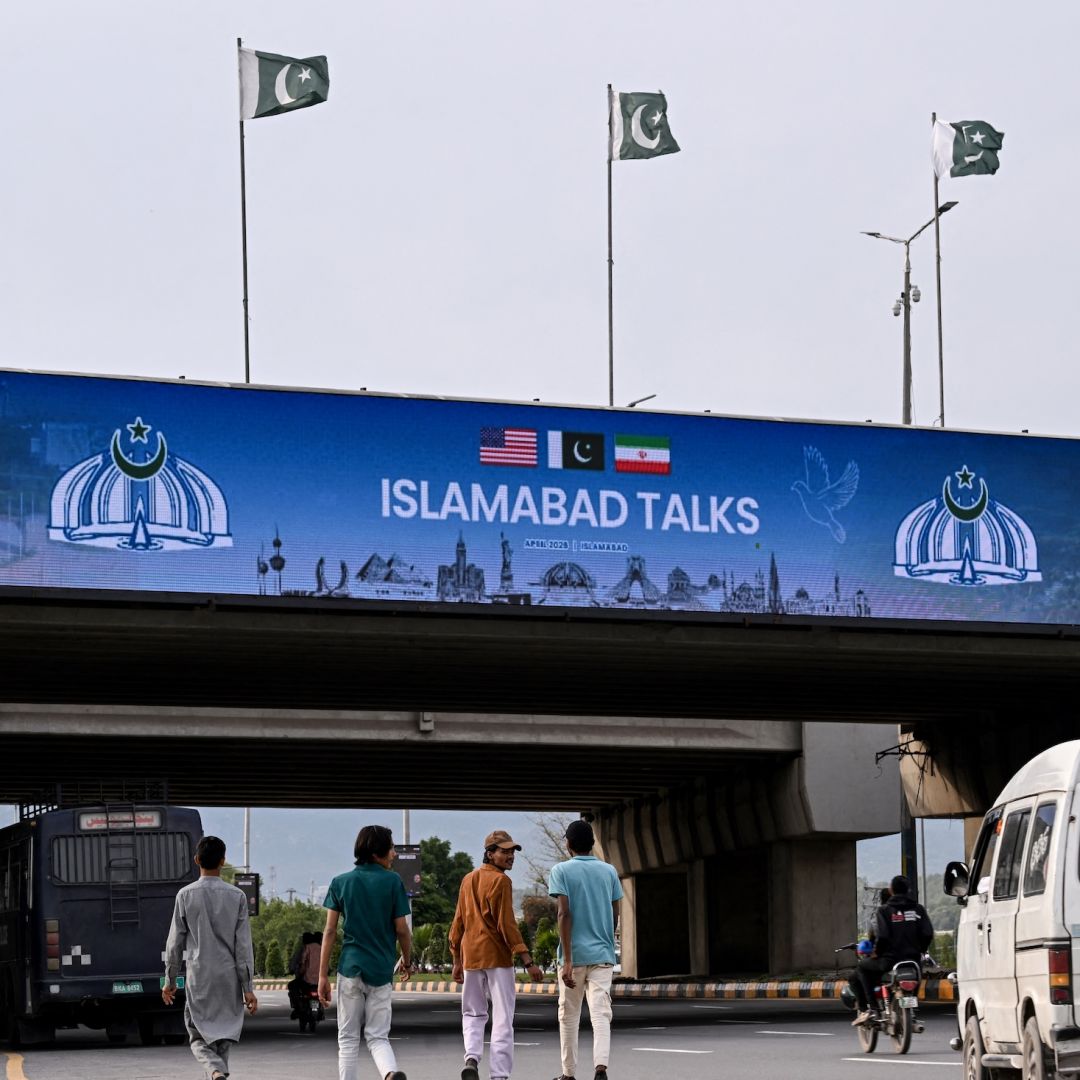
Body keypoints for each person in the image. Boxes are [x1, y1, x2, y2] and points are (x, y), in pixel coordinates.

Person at [319, 825, 412, 1080]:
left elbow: (329, 931)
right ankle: (390, 1073)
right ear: (376, 852)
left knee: (348, 1039)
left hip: (350, 969)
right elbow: (402, 930)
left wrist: (322, 976)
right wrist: (407, 960)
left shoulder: (341, 882)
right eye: (391, 848)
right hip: (381, 971)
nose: (394, 853)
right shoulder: (393, 882)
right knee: (378, 1036)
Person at [162, 835, 258, 1080]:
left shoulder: (185, 895)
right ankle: (219, 1072)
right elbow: (244, 946)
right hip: (228, 979)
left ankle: (215, 1071)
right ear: (223, 861)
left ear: (196, 860)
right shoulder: (237, 897)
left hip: (199, 978)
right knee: (223, 1038)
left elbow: (174, 943)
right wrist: (247, 987)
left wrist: (170, 980)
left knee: (197, 1036)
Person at [450, 830, 543, 1080]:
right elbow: (507, 924)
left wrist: (456, 959)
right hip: (497, 959)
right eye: (505, 852)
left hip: (471, 957)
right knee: (502, 1017)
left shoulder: (467, 879)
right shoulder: (501, 881)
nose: (511, 856)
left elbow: (458, 922)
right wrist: (528, 960)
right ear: (490, 854)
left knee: (472, 1012)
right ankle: (499, 1075)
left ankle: (471, 1057)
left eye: (512, 851)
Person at [547, 819, 623, 1080]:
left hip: (574, 956)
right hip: (603, 954)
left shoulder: (561, 871)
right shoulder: (609, 872)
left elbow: (564, 913)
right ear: (592, 844)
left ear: (568, 844)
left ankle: (568, 1074)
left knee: (568, 1015)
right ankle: (601, 1068)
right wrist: (607, 941)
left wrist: (567, 960)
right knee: (601, 1012)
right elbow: (614, 914)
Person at [851, 875, 934, 1026]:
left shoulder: (884, 910)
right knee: (916, 977)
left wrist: (877, 952)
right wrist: (921, 950)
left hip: (889, 960)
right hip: (913, 960)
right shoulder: (918, 909)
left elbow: (882, 936)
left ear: (891, 889)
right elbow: (928, 933)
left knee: (862, 968)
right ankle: (912, 1011)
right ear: (908, 890)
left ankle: (872, 1010)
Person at [288, 930, 323, 1018]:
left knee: (292, 986)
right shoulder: (322, 948)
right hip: (320, 980)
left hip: (307, 980)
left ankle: (297, 1008)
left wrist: (298, 971)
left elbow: (301, 963)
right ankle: (321, 1009)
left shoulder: (306, 948)